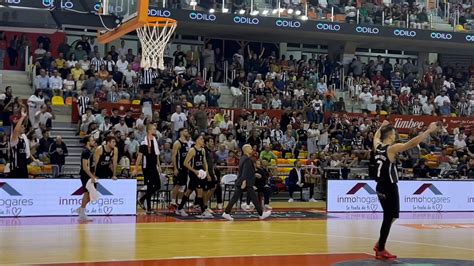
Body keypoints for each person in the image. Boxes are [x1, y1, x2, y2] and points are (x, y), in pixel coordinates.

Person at [372, 120, 438, 260]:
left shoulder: (378, 147)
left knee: (392, 216)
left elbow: (376, 137)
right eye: (394, 133)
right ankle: (381, 247)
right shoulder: (391, 148)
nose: (396, 135)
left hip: (380, 186)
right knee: (389, 217)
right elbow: (411, 144)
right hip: (389, 187)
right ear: (390, 135)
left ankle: (380, 243)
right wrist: (427, 131)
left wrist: (381, 126)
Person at [222, 144, 272, 221]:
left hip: (244, 181)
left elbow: (245, 171)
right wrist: (244, 181)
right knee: (250, 198)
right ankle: (261, 214)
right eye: (250, 148)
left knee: (238, 198)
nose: (252, 149)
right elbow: (245, 171)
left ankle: (226, 213)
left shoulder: (243, 158)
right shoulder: (247, 159)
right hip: (246, 182)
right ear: (246, 150)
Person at [175, 135, 211, 218]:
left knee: (189, 191)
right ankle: (203, 211)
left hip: (201, 173)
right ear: (196, 140)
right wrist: (195, 171)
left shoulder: (203, 150)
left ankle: (179, 208)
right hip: (194, 173)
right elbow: (185, 163)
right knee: (200, 192)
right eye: (201, 139)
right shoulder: (192, 150)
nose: (203, 140)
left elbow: (204, 162)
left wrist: (206, 172)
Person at [133, 124, 163, 215]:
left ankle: (142, 199)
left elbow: (157, 155)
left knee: (158, 185)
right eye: (154, 129)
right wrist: (136, 168)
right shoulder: (144, 142)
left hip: (154, 166)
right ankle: (149, 208)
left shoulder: (154, 140)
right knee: (149, 186)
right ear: (149, 130)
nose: (155, 130)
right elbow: (139, 156)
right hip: (147, 167)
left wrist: (159, 166)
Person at [77, 135, 97, 221]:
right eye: (92, 140)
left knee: (87, 194)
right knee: (90, 194)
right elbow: (85, 167)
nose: (94, 141)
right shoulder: (86, 152)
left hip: (88, 175)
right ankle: (81, 212)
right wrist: (92, 176)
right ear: (88, 142)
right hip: (85, 176)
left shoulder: (89, 151)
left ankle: (81, 211)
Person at [171, 128, 190, 207]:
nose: (187, 132)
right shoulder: (177, 143)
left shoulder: (186, 143)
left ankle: (179, 202)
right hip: (179, 168)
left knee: (183, 186)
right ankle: (172, 202)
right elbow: (173, 156)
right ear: (181, 132)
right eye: (185, 131)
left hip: (185, 168)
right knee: (177, 185)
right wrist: (175, 168)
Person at [10, 108, 29, 178]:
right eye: (22, 127)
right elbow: (16, 131)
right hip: (16, 168)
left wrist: (25, 117)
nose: (24, 128)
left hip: (24, 167)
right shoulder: (14, 139)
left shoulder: (23, 138)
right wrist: (22, 117)